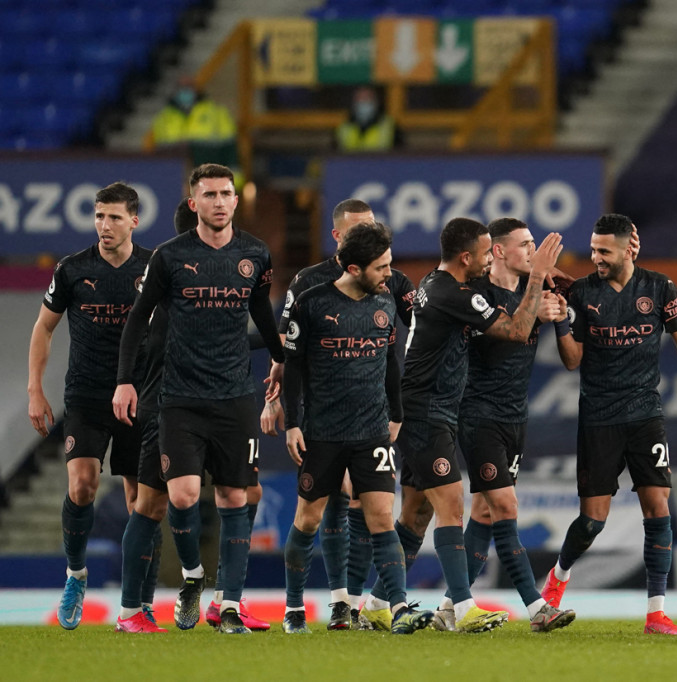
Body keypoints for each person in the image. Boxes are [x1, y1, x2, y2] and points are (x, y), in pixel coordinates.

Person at [113, 164, 286, 635]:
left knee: (235, 496)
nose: (219, 201)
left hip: (234, 397)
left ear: (235, 199)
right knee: (183, 495)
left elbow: (261, 314)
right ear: (194, 204)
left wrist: (280, 358)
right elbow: (137, 321)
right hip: (180, 398)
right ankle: (191, 577)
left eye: (226, 193)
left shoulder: (254, 253)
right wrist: (124, 381)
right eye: (209, 194)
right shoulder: (170, 257)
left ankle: (228, 607)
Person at [373, 217, 562, 633]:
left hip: (437, 410)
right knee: (453, 505)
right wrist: (537, 283)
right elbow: (514, 329)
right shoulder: (455, 293)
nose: (486, 259)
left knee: (417, 513)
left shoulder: (435, 285)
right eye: (481, 253)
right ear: (465, 257)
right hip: (426, 411)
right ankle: (461, 606)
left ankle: (374, 602)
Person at [545, 213, 677, 635]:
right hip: (599, 416)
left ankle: (656, 613)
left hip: (646, 414)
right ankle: (558, 578)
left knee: (658, 506)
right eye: (593, 250)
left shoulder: (659, 288)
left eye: (604, 251)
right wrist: (559, 321)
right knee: (593, 520)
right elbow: (572, 360)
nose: (596, 258)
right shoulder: (582, 293)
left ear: (631, 247)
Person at [261, 198, 419, 630]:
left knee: (382, 518)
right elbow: (290, 366)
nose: (389, 274)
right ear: (352, 265)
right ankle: (295, 608)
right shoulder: (310, 299)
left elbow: (391, 361)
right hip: (323, 431)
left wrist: (397, 414)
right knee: (308, 519)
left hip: (371, 430)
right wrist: (292, 420)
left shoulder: (386, 301)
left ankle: (399, 608)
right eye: (382, 267)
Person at [433, 217, 576, 633]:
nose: (534, 251)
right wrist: (537, 306)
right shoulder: (477, 294)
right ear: (497, 251)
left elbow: (575, 342)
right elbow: (507, 333)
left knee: (484, 511)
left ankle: (448, 607)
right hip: (478, 413)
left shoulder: (541, 292)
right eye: (525, 244)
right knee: (506, 507)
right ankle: (536, 607)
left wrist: (561, 315)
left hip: (515, 415)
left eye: (536, 244)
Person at [28, 182, 152, 630]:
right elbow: (43, 328)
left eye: (114, 217)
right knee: (82, 485)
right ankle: (76, 575)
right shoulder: (72, 269)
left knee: (141, 499)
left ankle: (137, 598)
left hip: (139, 394)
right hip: (85, 394)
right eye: (99, 216)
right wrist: (34, 389)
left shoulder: (155, 268)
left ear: (134, 221)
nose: (104, 225)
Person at [151, 76, 240, 185]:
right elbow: (159, 155)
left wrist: (233, 183)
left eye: (189, 86)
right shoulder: (164, 118)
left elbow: (230, 152)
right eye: (182, 87)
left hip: (210, 183)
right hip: (176, 184)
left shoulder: (216, 113)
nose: (185, 91)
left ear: (196, 88)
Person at [336, 86, 400, 153]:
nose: (364, 102)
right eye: (360, 99)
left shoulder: (389, 125)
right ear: (354, 102)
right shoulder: (344, 126)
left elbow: (400, 152)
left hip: (382, 162)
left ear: (376, 101)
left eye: (367, 98)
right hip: (349, 162)